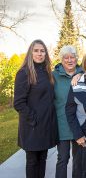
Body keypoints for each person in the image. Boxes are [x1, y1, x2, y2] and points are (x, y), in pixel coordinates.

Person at [14, 39, 58, 178]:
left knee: (43, 158)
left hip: (46, 125)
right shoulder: (24, 73)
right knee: (33, 161)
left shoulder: (47, 72)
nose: (40, 54)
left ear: (46, 54)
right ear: (30, 53)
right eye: (36, 50)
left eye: (42, 51)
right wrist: (33, 119)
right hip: (32, 126)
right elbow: (19, 103)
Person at [53, 45, 83, 178]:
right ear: (61, 60)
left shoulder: (84, 73)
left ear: (77, 58)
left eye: (72, 57)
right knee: (63, 158)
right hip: (62, 124)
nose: (70, 60)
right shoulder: (54, 76)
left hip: (80, 124)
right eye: (66, 58)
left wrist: (81, 74)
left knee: (79, 160)